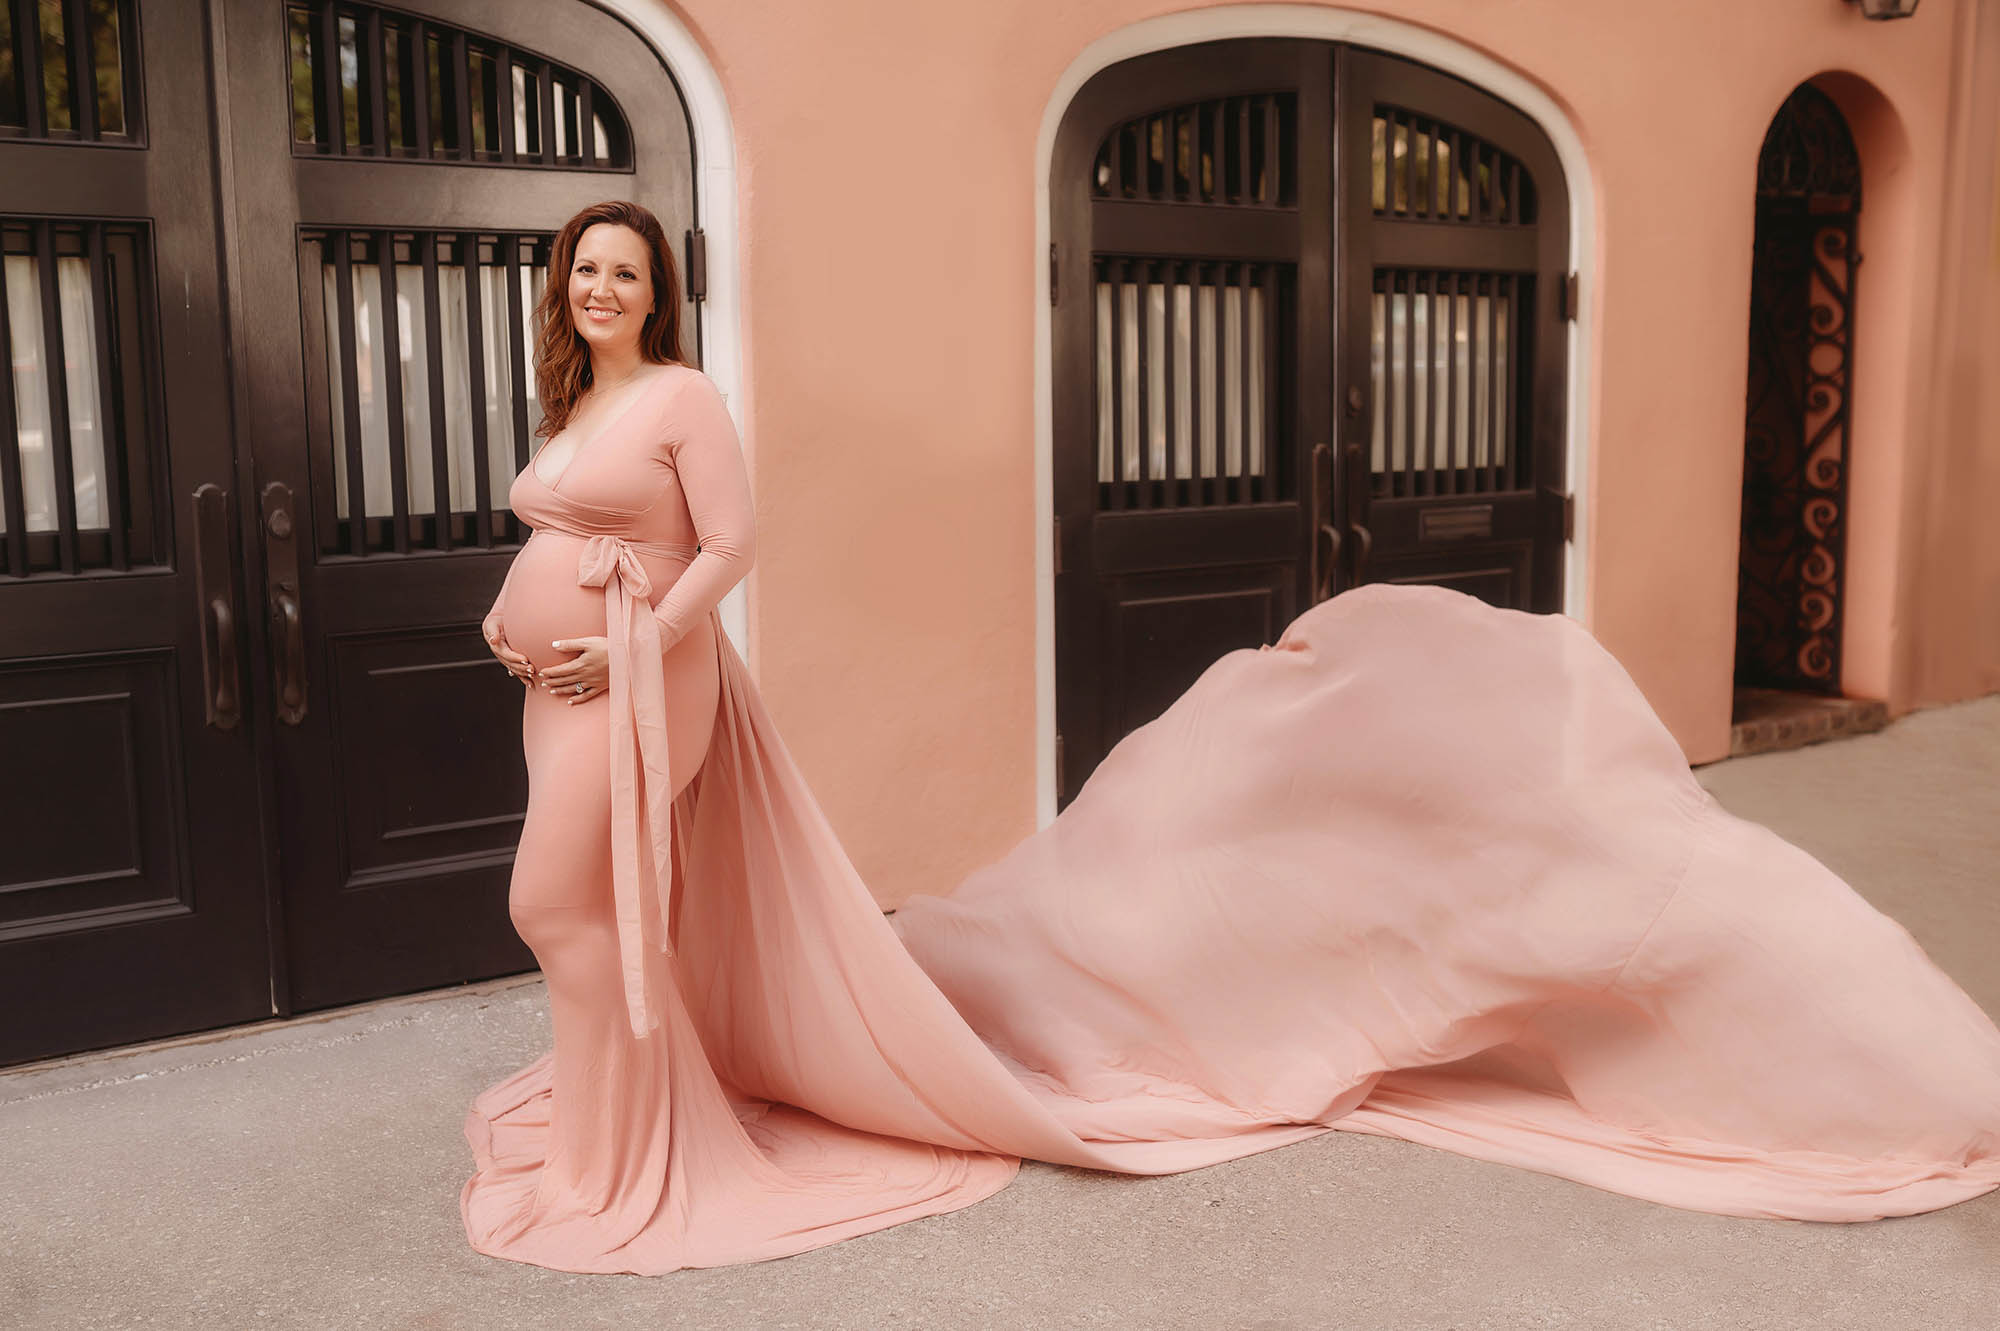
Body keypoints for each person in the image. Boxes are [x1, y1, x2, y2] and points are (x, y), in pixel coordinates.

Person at [464, 199, 2000, 1276]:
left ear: (658, 289)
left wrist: (633, 638)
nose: (604, 288)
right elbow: (572, 530)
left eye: (625, 271)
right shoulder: (576, 406)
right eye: (585, 270)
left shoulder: (682, 397)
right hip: (555, 692)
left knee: (561, 906)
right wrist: (512, 618)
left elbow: (726, 552)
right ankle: (616, 1118)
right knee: (590, 915)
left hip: (634, 688)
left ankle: (636, 1144)